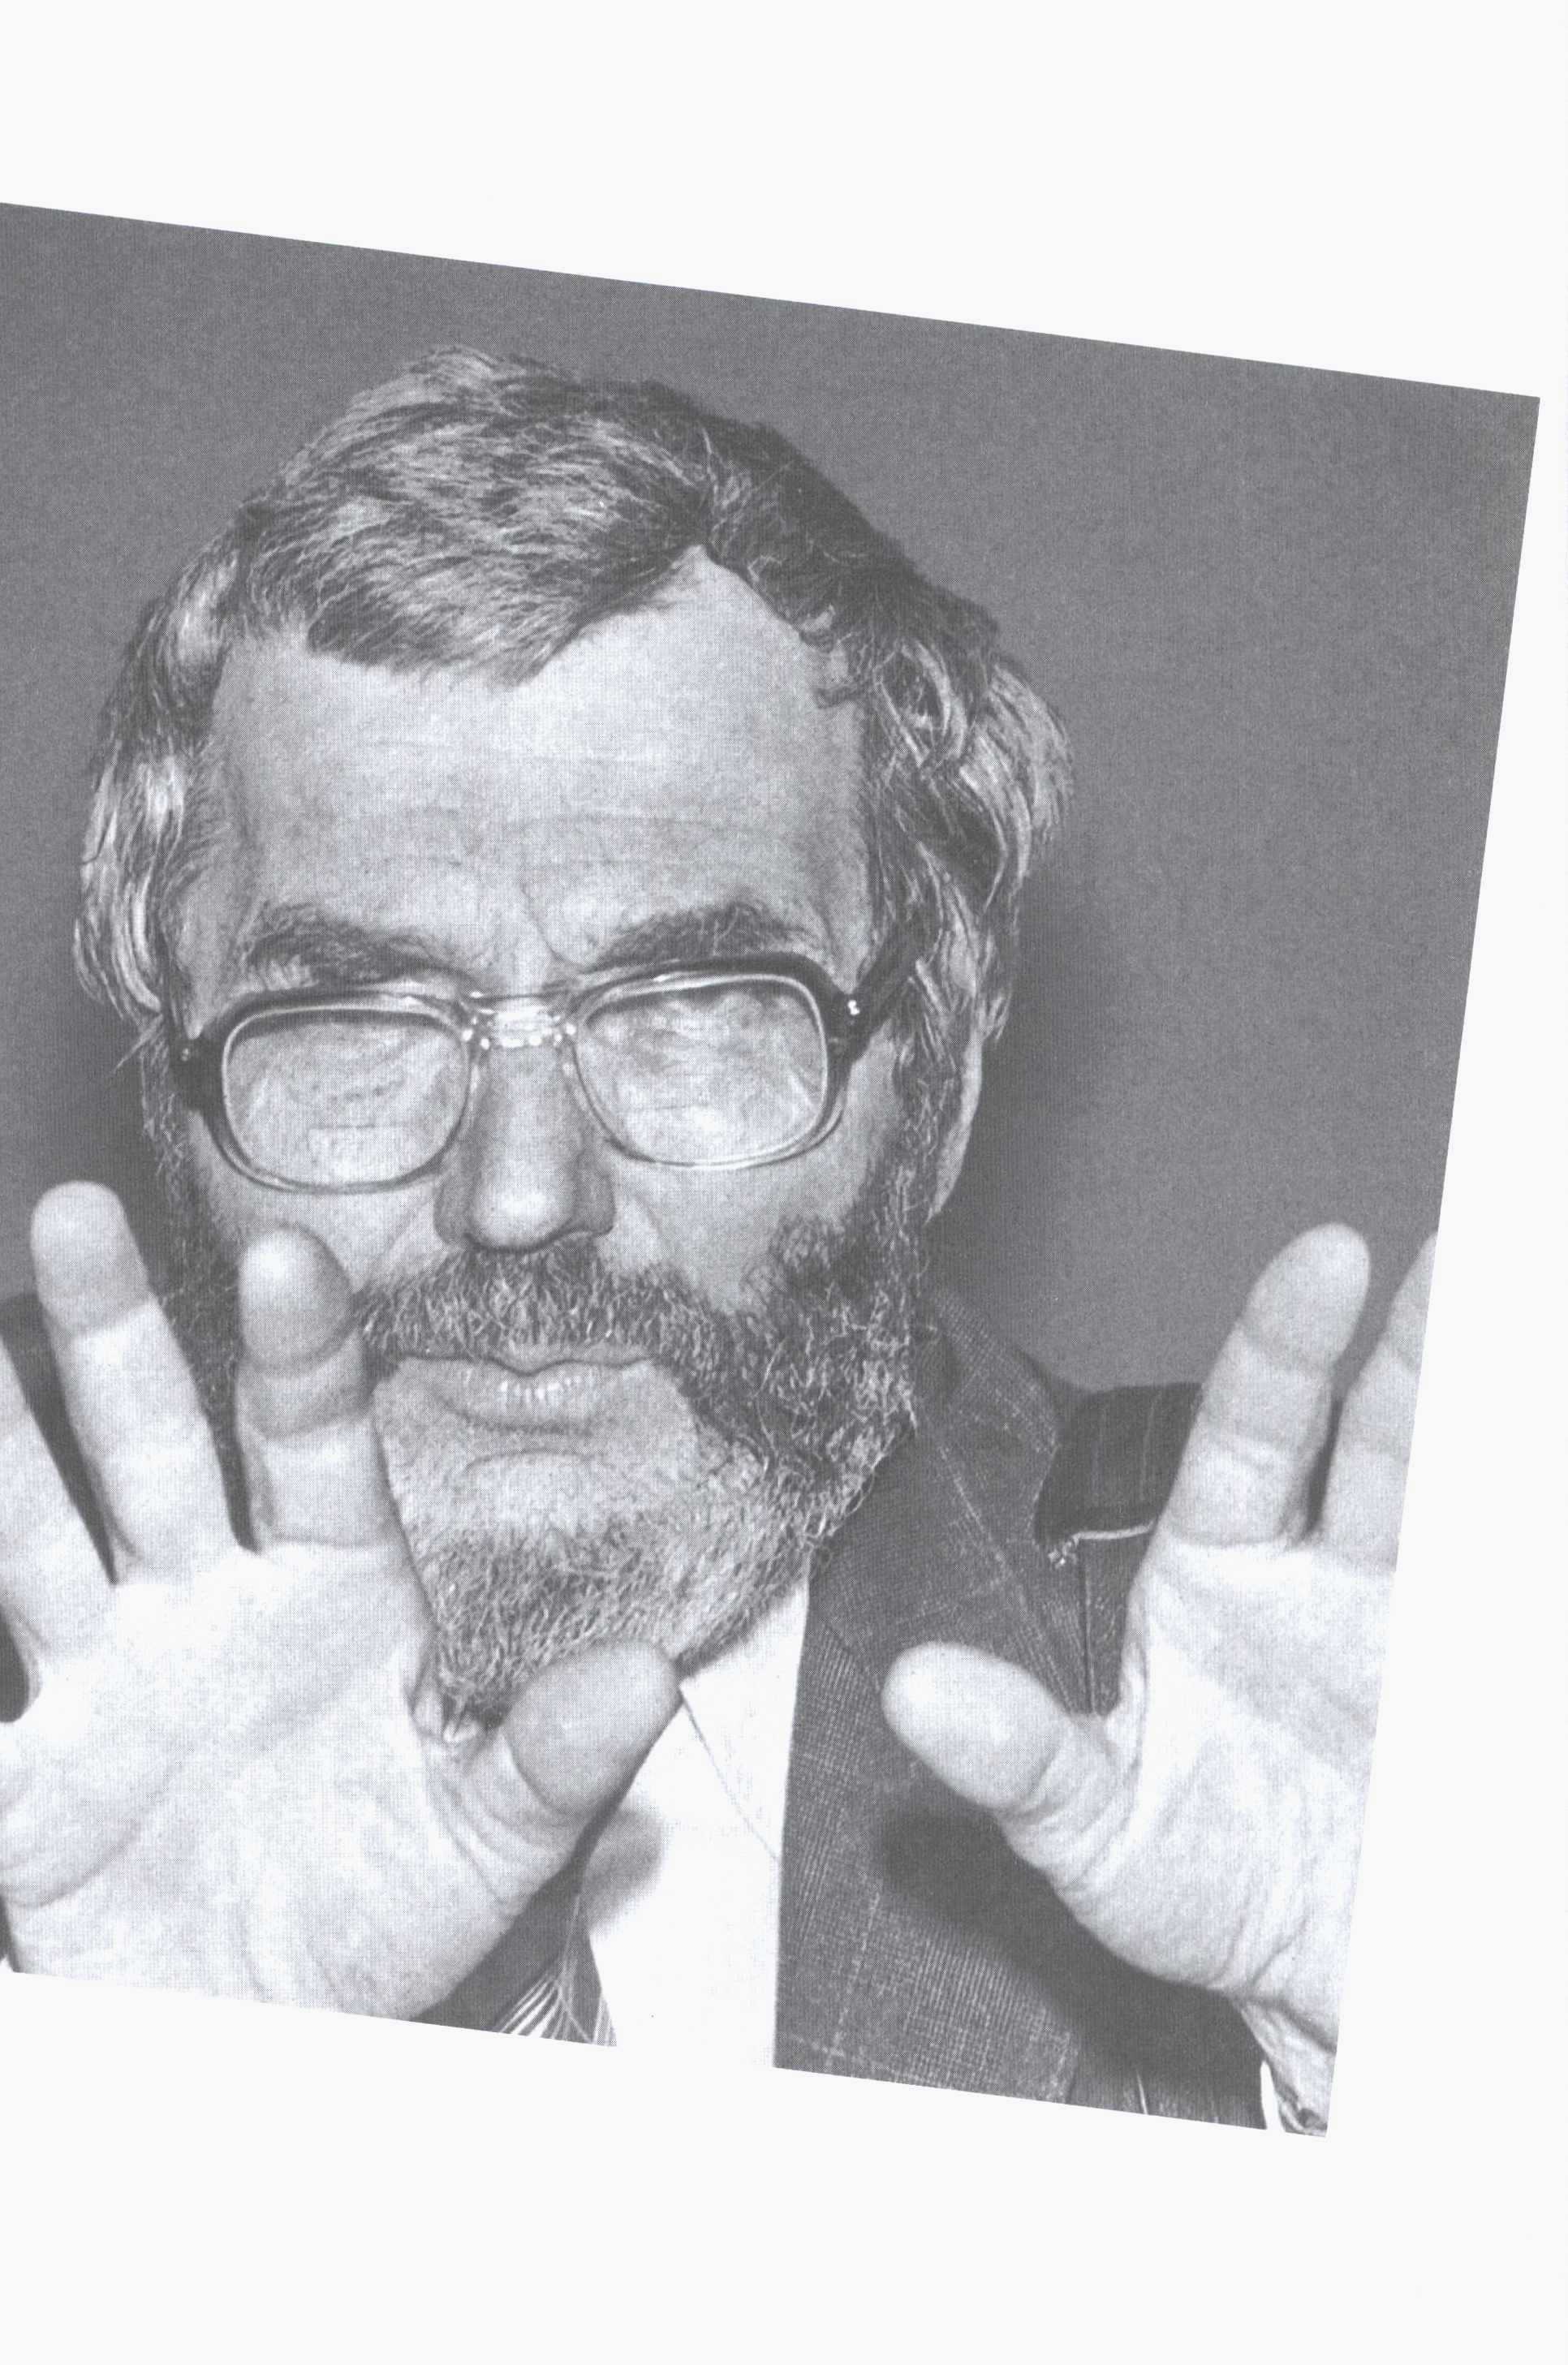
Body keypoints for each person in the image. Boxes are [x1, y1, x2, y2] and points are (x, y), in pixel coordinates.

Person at [0, 348, 1429, 2132]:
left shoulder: (1345, 1721)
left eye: (693, 1006)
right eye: (360, 1015)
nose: (523, 1196)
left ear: (937, 1083)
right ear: (168, 1090)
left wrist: (1411, 2073)